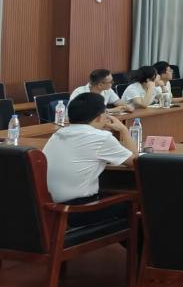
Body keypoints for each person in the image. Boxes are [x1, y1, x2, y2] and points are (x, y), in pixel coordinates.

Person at [42, 92, 138, 227]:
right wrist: (123, 130)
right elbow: (135, 162)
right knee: (136, 203)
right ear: (99, 117)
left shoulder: (57, 134)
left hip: (51, 210)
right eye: (105, 113)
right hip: (77, 211)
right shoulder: (101, 137)